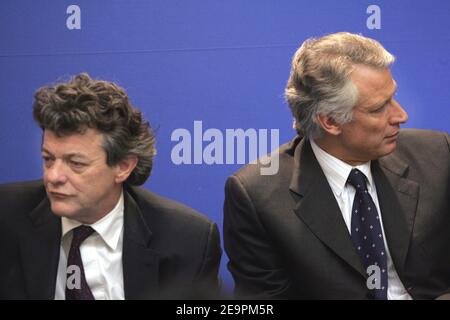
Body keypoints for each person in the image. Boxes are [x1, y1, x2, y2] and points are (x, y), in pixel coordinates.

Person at [223, 32, 450, 300]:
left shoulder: (438, 154)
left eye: (394, 97)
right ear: (330, 121)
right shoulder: (256, 196)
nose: (401, 115)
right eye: (379, 108)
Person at [0, 73, 221, 300]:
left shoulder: (187, 241)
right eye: (48, 159)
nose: (53, 176)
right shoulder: (6, 216)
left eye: (76, 163)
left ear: (123, 166)